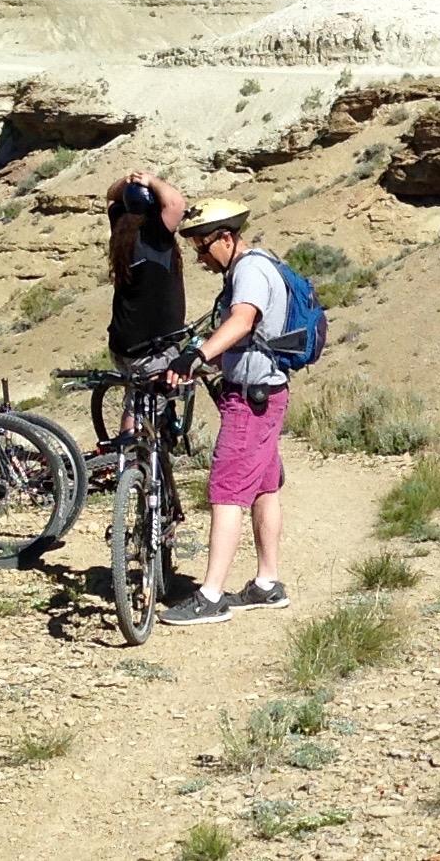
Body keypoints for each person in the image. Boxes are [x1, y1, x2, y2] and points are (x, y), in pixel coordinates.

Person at [159, 198, 293, 626]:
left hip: (252, 399)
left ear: (227, 237)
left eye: (203, 246)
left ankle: (211, 595)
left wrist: (194, 356)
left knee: (226, 491)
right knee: (265, 486)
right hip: (265, 392)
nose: (200, 257)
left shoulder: (250, 270)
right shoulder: (254, 265)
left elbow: (242, 321)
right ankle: (267, 585)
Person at [106, 171, 190, 380]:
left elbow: (110, 196)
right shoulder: (155, 235)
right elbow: (176, 204)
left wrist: (127, 182)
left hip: (124, 339)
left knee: (136, 400)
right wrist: (151, 180)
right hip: (151, 346)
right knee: (147, 406)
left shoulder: (121, 227)